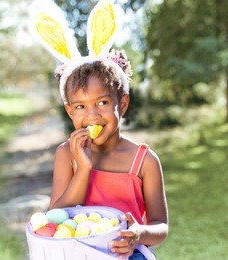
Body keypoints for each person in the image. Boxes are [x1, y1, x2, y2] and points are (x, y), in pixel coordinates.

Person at [31, 1, 168, 258]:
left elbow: (161, 226)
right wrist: (83, 168)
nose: (92, 114)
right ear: (70, 112)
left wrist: (138, 234)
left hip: (129, 254)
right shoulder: (67, 154)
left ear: (122, 104)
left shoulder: (145, 161)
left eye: (103, 102)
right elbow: (55, 216)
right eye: (80, 106)